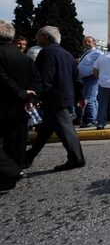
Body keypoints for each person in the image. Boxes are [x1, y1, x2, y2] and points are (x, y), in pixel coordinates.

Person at [25, 26, 86, 172]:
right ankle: (28, 156)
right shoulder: (67, 54)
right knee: (46, 129)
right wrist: (80, 96)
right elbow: (77, 77)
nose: (36, 38)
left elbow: (45, 77)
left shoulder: (46, 52)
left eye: (38, 35)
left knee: (66, 130)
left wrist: (35, 97)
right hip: (64, 97)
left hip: (54, 98)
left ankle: (77, 158)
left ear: (45, 37)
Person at [0, 21, 40, 192]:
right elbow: (36, 80)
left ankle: (10, 172)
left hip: (5, 103)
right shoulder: (24, 58)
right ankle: (10, 177)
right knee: (15, 142)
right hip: (19, 107)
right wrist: (30, 96)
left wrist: (23, 94)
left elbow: (2, 78)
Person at [76, 36, 103, 127]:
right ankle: (94, 118)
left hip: (91, 78)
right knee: (92, 99)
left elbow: (100, 64)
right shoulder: (87, 53)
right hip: (85, 79)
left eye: (89, 41)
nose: (86, 43)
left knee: (89, 99)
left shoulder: (97, 53)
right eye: (85, 42)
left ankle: (90, 120)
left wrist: (96, 74)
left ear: (94, 43)